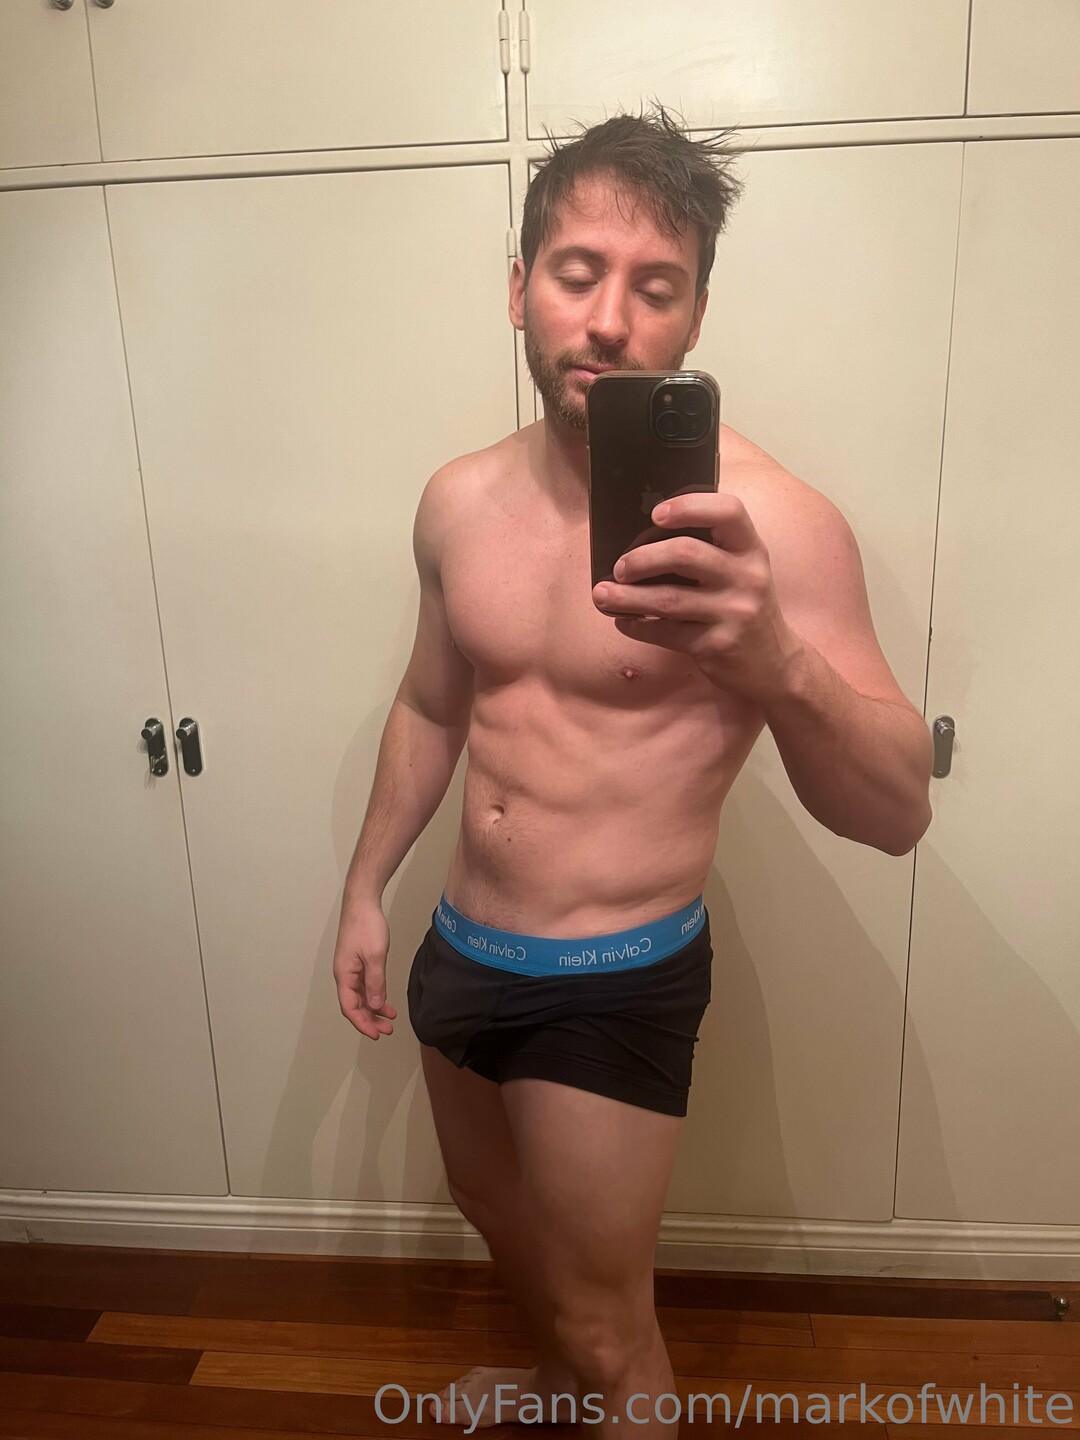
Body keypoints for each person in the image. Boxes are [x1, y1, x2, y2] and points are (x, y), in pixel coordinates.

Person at [333, 106, 934, 1438]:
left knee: (615, 1331)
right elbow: (432, 705)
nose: (607, 321)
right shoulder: (456, 501)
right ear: (520, 288)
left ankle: (589, 1385)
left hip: (611, 979)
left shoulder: (775, 527)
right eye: (577, 273)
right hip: (460, 946)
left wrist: (773, 658)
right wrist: (367, 887)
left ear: (696, 316)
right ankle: (555, 1391)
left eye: (654, 288)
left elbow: (899, 810)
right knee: (499, 1220)